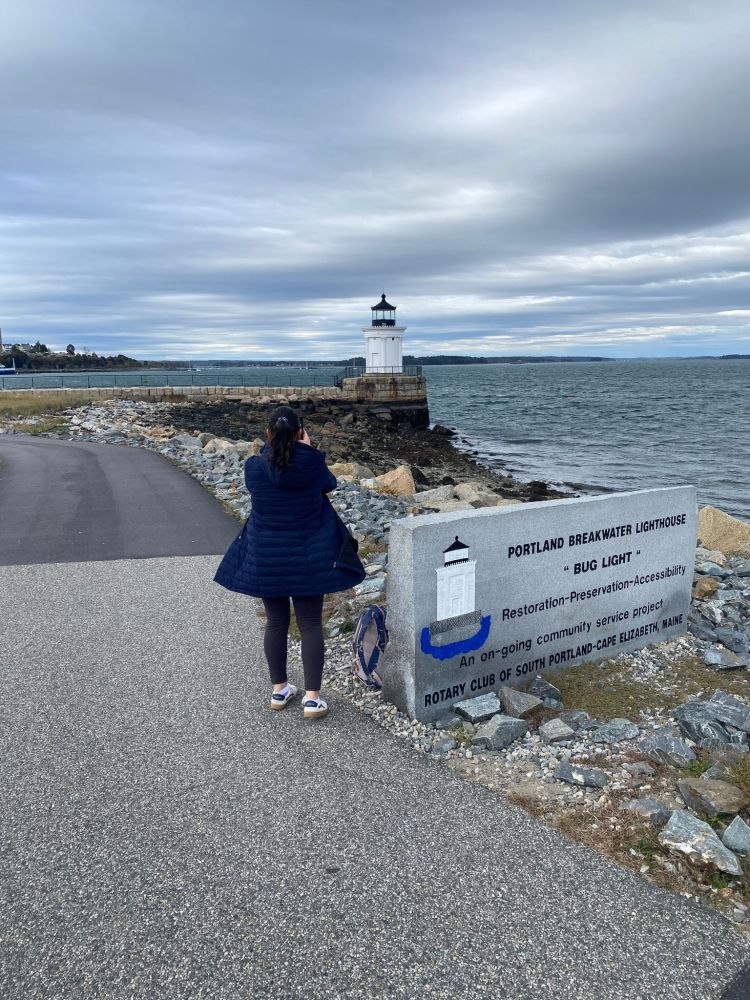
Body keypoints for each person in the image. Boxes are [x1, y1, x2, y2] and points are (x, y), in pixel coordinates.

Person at [214, 405, 365, 719]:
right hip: (308, 557)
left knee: (276, 622)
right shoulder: (313, 466)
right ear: (301, 433)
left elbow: (270, 472)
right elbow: (329, 484)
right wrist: (307, 450)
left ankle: (280, 690)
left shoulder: (254, 468)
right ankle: (312, 699)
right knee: (309, 624)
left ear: (268, 433)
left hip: (267, 557)